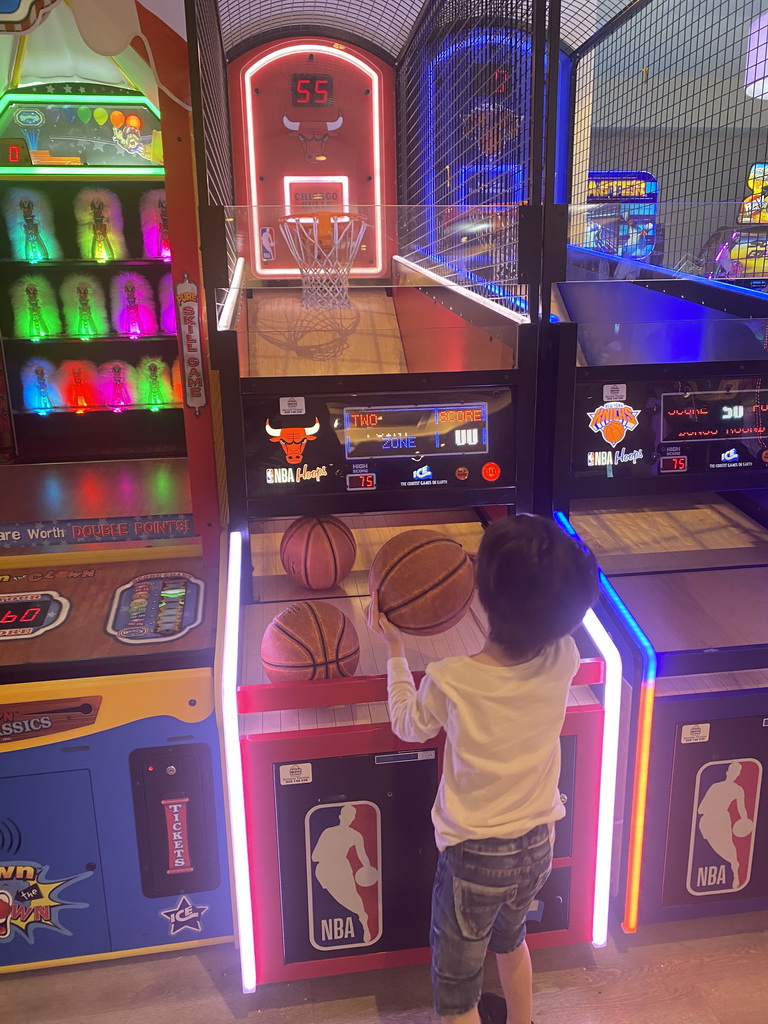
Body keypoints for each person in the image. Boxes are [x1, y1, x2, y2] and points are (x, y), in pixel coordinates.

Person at [367, 514, 598, 1024]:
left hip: (474, 856)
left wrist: (396, 651)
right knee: (512, 940)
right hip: (538, 843)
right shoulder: (565, 655)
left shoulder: (453, 679)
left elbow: (408, 724)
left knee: (456, 990)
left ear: (480, 596)